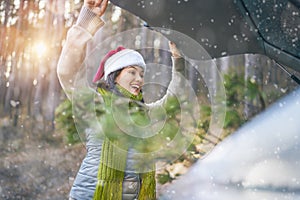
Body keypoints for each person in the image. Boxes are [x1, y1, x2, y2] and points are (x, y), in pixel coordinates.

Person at [57, 0, 185, 199]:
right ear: (114, 76)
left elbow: (175, 100)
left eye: (142, 74)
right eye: (131, 72)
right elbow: (67, 71)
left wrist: (178, 61)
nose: (139, 79)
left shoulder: (145, 114)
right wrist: (87, 21)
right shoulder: (95, 105)